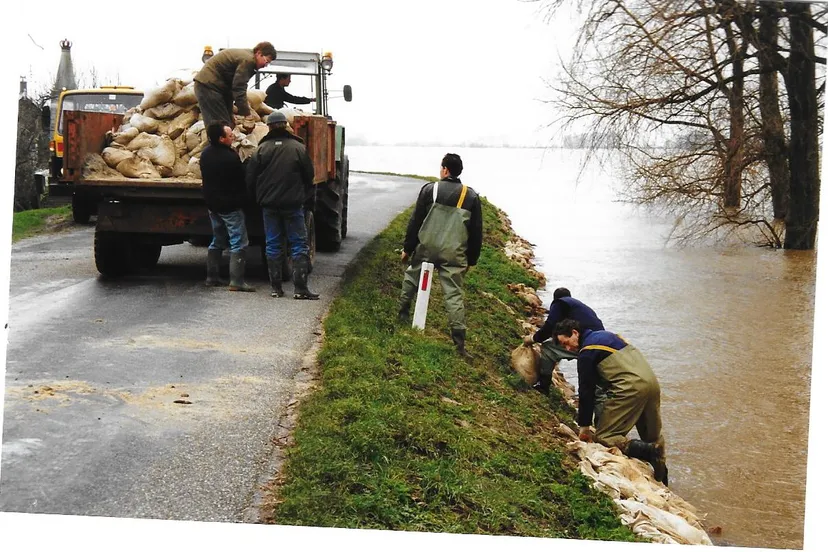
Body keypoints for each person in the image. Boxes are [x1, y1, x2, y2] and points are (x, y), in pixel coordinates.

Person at [554, 318, 668, 486]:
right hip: (651, 383)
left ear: (575, 333)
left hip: (630, 387)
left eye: (566, 343)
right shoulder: (604, 335)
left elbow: (587, 391)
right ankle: (662, 479)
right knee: (652, 436)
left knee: (605, 436)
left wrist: (584, 427)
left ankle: (648, 452)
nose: (568, 348)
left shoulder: (587, 352)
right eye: (564, 347)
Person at [398, 153, 483, 356]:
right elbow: (476, 232)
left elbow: (415, 221)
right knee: (454, 295)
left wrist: (407, 249)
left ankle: (402, 315)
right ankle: (459, 343)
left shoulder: (430, 190)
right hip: (454, 254)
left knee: (412, 278)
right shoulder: (470, 197)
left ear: (445, 170)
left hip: (426, 248)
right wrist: (472, 259)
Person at [246, 111, 318, 300]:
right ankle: (300, 289)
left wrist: (257, 197)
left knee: (273, 244)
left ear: (269, 127)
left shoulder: (261, 149)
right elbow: (309, 175)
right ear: (286, 125)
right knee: (299, 244)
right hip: (293, 205)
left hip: (269, 205)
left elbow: (250, 177)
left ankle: (276, 289)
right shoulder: (298, 148)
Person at [199, 122, 255, 292]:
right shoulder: (230, 158)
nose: (233, 138)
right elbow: (241, 180)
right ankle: (237, 281)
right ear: (221, 139)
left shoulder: (205, 154)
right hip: (230, 206)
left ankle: (212, 277)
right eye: (230, 136)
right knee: (239, 241)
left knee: (217, 239)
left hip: (212, 204)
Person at [523, 287, 604, 396]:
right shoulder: (577, 306)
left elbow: (550, 326)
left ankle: (543, 386)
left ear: (555, 298)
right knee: (597, 379)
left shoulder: (559, 303)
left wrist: (534, 338)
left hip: (588, 344)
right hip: (602, 343)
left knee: (548, 348)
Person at [194, 41, 276, 127]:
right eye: (266, 61)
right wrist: (247, 114)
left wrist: (230, 113)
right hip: (208, 86)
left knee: (228, 123)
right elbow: (239, 88)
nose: (266, 65)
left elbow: (231, 88)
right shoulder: (248, 61)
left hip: (214, 87)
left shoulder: (247, 57)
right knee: (220, 127)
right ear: (259, 53)